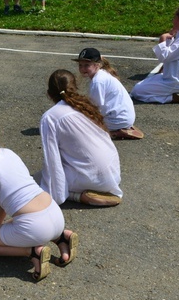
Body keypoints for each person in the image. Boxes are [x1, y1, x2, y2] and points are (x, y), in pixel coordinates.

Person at [0, 111, 78, 280]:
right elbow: (8, 195)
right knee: (22, 220)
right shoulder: (9, 153)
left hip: (35, 227)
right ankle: (62, 238)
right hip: (55, 214)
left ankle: (33, 252)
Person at [39, 69, 123, 207]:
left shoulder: (50, 117)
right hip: (113, 174)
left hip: (93, 179)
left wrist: (54, 191)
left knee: (40, 181)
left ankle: (77, 196)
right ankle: (100, 187)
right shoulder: (85, 107)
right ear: (75, 87)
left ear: (49, 94)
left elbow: (52, 159)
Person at [130, 3, 179, 104]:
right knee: (140, 85)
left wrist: (163, 39)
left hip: (174, 82)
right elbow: (172, 52)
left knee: (137, 92)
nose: (173, 20)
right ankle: (171, 94)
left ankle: (171, 97)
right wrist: (171, 37)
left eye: (175, 17)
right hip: (169, 77)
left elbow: (164, 56)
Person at [73, 47, 143, 140]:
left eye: (87, 65)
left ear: (97, 65)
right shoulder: (102, 74)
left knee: (79, 126)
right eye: (80, 65)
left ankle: (113, 133)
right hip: (123, 117)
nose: (82, 68)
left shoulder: (98, 81)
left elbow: (95, 108)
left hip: (117, 119)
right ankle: (118, 128)